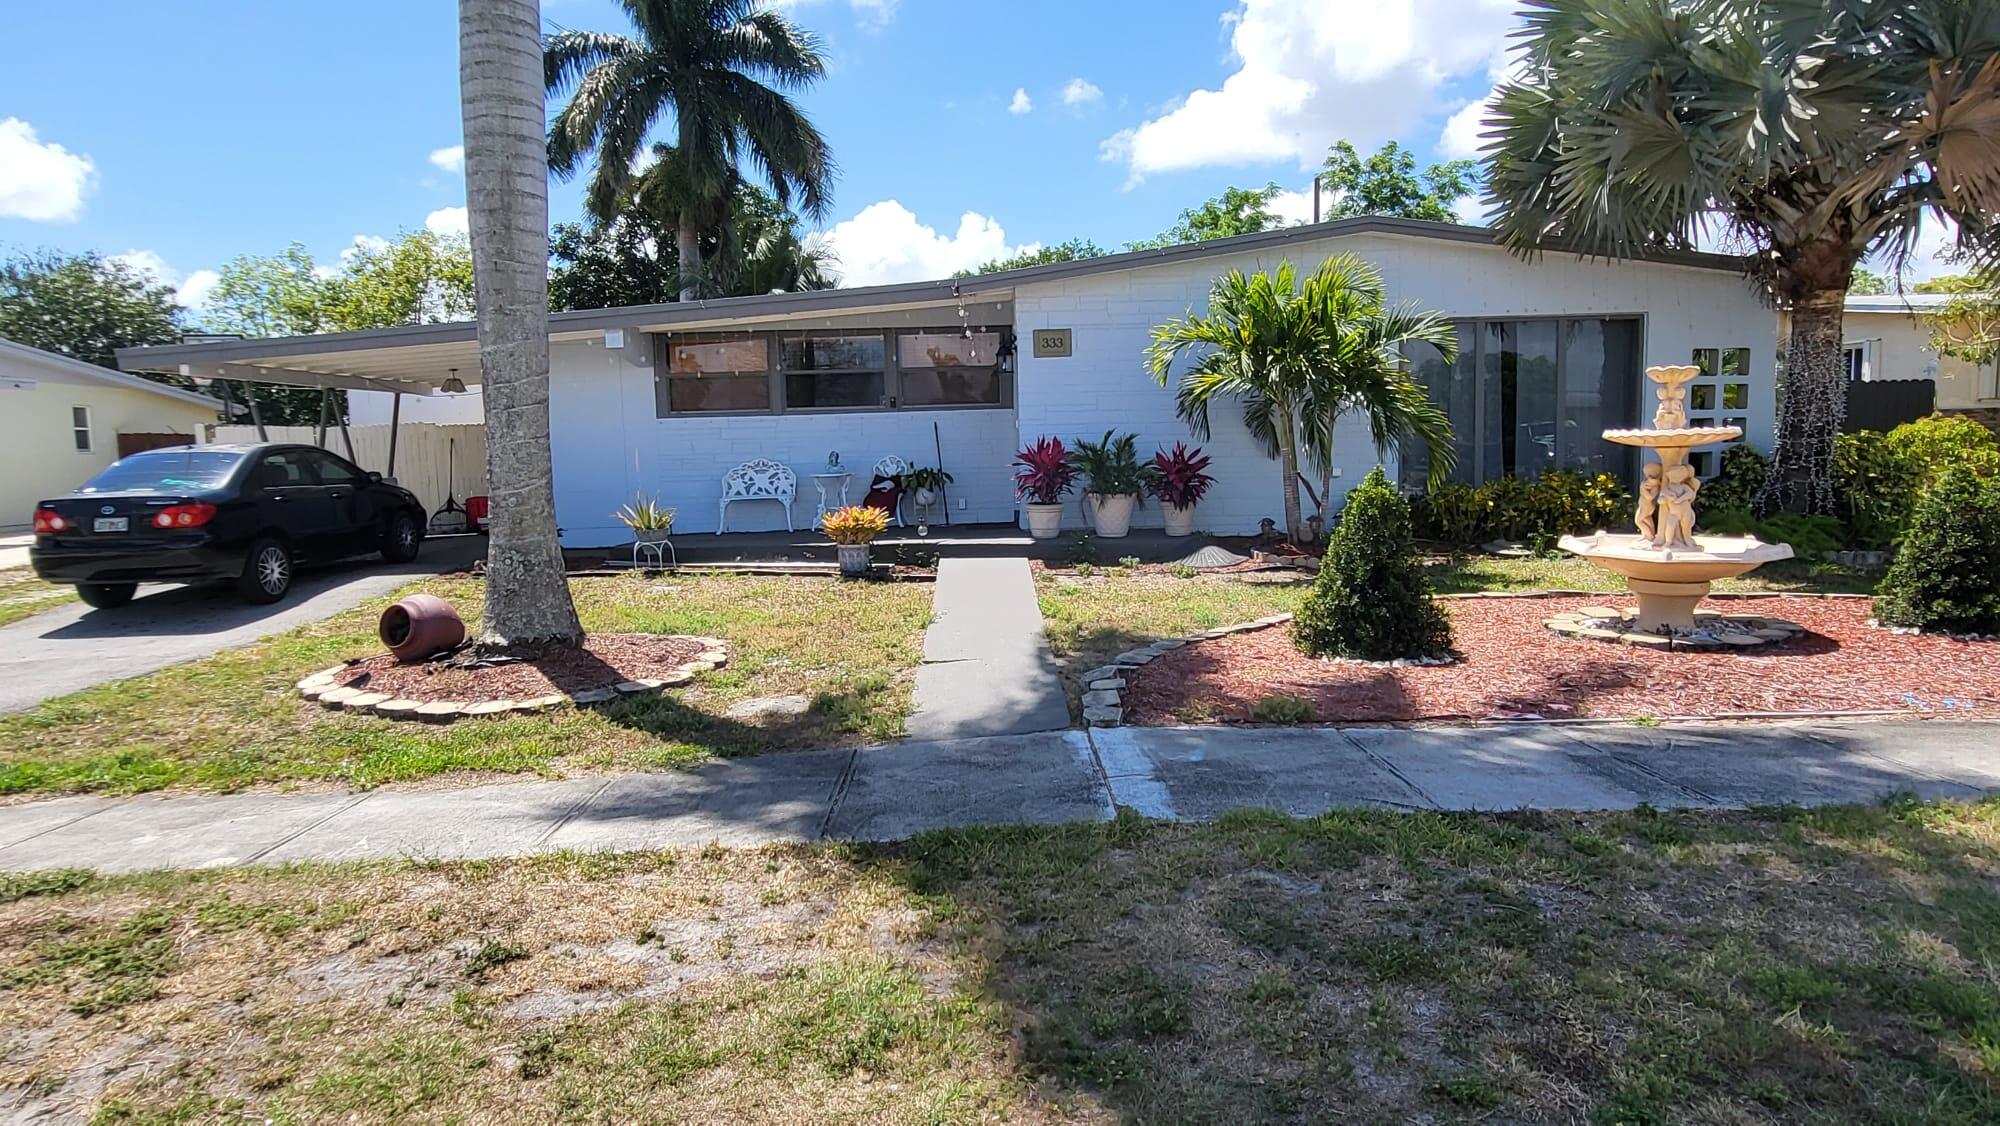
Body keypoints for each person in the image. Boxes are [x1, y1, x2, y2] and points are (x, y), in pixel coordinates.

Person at [1658, 463, 1699, 549]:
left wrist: (1680, 499)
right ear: (1669, 476)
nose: (1677, 478)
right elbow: (1660, 500)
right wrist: (1667, 498)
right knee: (1670, 526)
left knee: (1686, 527)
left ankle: (1687, 541)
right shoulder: (1666, 488)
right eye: (1674, 475)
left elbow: (1690, 494)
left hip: (1685, 510)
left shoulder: (1684, 486)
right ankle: (1668, 542)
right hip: (1673, 512)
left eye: (1679, 476)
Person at [1635, 461, 1663, 545]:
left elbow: (1650, 497)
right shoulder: (1647, 483)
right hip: (1643, 505)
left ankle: (1650, 536)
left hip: (1647, 506)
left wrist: (1643, 489)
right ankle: (1646, 535)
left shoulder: (1655, 486)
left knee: (1638, 521)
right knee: (1646, 519)